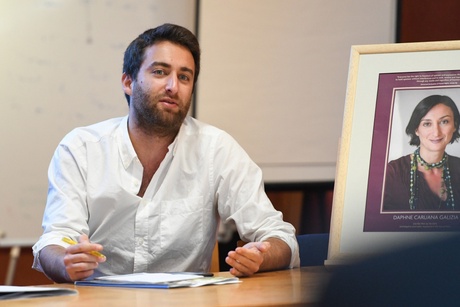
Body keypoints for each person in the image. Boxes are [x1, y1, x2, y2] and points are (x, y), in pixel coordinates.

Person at [32, 23, 300, 283]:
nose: (173, 86)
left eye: (184, 77)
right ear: (128, 82)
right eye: (160, 72)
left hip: (186, 302)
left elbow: (280, 237)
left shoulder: (216, 149)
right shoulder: (81, 148)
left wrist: (260, 257)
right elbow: (55, 239)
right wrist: (66, 261)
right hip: (100, 300)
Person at [383, 94, 460, 211]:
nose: (436, 132)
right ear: (416, 129)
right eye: (427, 124)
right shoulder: (393, 172)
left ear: (454, 125)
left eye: (444, 121)